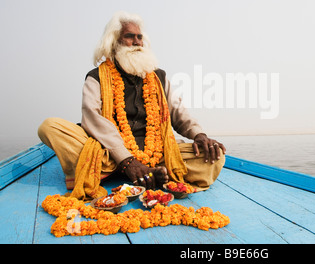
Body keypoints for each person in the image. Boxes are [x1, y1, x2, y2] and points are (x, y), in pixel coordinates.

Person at [38, 11, 226, 200]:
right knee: (50, 127)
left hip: (158, 152)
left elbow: (178, 112)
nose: (136, 42)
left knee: (215, 157)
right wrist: (127, 161)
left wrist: (199, 135)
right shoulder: (96, 77)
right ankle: (131, 171)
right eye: (129, 36)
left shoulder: (158, 76)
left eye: (139, 37)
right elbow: (91, 117)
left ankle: (138, 172)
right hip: (108, 154)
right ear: (114, 42)